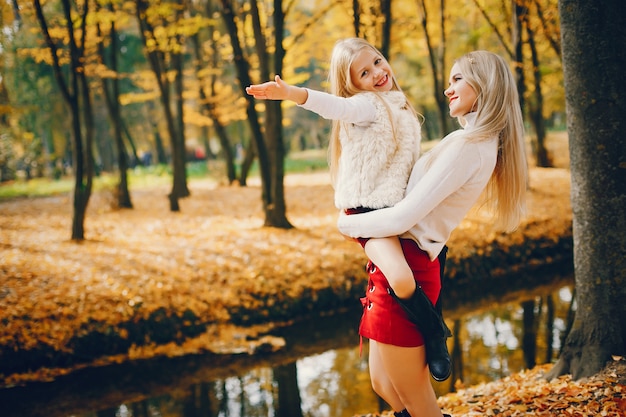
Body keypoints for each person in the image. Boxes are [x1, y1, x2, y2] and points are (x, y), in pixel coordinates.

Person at [337, 50, 528, 417]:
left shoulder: (467, 146)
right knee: (384, 385)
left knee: (416, 399)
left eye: (458, 79)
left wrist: (347, 225)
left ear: (484, 84)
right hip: (394, 259)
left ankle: (435, 337)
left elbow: (406, 214)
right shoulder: (469, 141)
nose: (448, 89)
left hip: (407, 267)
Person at [246, 37, 425, 342]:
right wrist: (292, 93)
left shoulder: (401, 105)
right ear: (354, 85)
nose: (377, 73)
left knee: (418, 270)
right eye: (364, 74)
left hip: (394, 211)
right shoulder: (366, 106)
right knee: (402, 279)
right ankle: (435, 335)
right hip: (366, 212)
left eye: (377, 62)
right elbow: (334, 106)